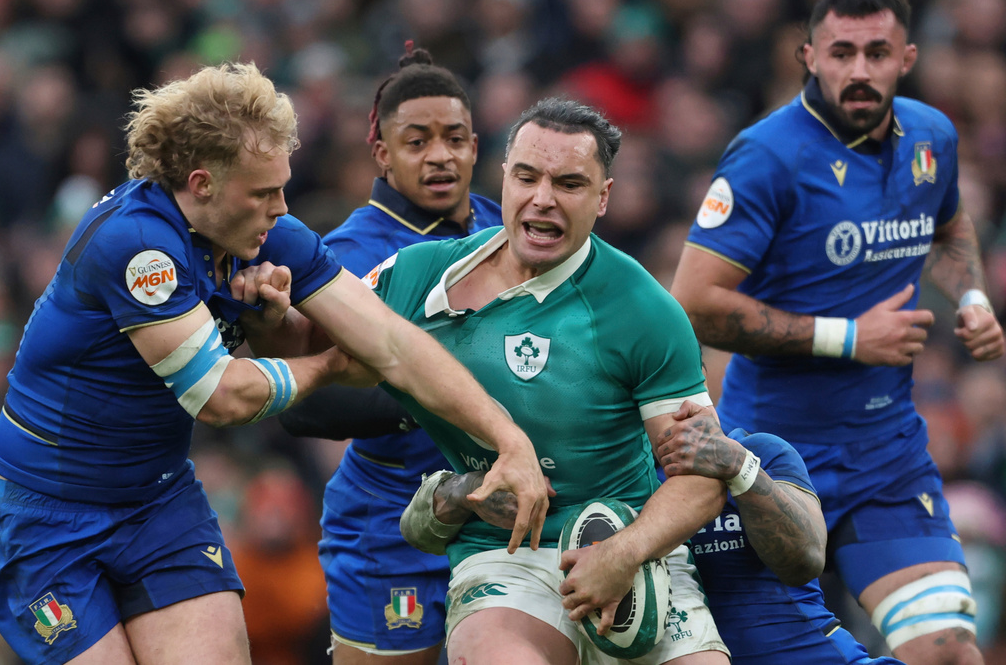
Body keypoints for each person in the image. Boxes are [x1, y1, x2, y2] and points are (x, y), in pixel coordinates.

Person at [0, 62, 548, 665]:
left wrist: (506, 438)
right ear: (202, 183)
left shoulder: (264, 230)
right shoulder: (139, 246)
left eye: (281, 186)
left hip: (157, 503)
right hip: (47, 517)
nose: (282, 207)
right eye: (263, 192)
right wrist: (329, 368)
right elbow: (219, 396)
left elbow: (393, 343)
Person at [255, 97, 731, 664]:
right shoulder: (418, 275)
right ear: (502, 178)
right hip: (505, 554)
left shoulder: (645, 309)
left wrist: (624, 553)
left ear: (603, 198)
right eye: (527, 177)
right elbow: (303, 341)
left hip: (631, 547)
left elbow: (701, 475)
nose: (543, 199)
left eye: (570, 183)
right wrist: (262, 313)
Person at [669, 0, 1005, 664]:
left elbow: (949, 224)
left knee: (948, 652)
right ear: (808, 55)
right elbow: (694, 301)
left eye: (876, 52)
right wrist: (850, 337)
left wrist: (972, 297)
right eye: (841, 52)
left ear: (906, 56)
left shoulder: (931, 136)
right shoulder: (766, 157)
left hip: (886, 455)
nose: (858, 70)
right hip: (771, 459)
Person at [279, 44, 502, 665]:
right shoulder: (342, 259)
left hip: (501, 521)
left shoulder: (510, 234)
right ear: (382, 154)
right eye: (417, 141)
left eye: (455, 138)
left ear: (476, 146)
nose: (440, 155)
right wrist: (434, 395)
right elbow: (302, 409)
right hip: (389, 522)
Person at [407, 399, 906, 664]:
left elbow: (806, 558)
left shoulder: (755, 450)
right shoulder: (585, 483)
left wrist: (740, 470)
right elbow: (418, 531)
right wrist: (463, 489)